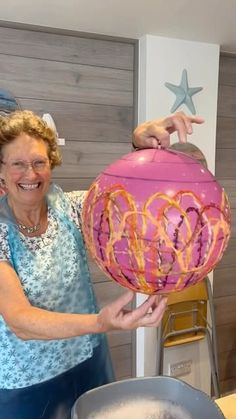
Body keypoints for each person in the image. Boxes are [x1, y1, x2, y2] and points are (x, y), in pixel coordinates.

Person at [0, 110, 204, 419]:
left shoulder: (71, 207)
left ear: (51, 163)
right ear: (1, 170)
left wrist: (140, 148)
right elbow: (20, 321)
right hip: (26, 384)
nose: (31, 174)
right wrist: (100, 322)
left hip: (88, 364)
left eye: (39, 162)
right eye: (18, 164)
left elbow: (127, 197)